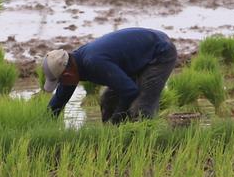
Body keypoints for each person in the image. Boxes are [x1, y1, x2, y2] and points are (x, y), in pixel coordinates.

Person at [42, 27, 177, 123]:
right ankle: (114, 139)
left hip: (159, 52)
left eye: (60, 81)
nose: (62, 85)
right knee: (108, 100)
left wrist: (117, 117)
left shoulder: (94, 62)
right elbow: (59, 100)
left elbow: (130, 91)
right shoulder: (73, 65)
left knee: (141, 108)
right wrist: (44, 123)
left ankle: (145, 145)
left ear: (66, 74)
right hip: (135, 58)